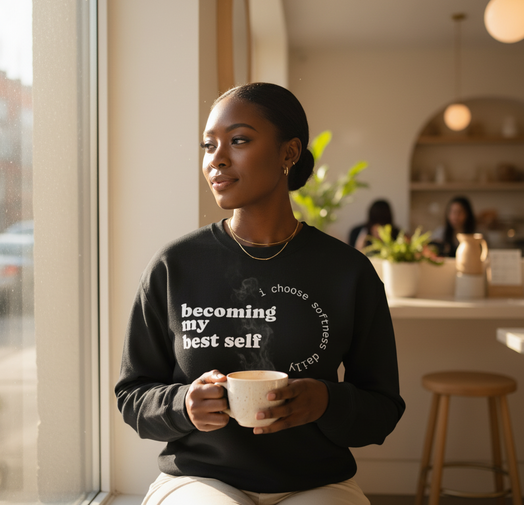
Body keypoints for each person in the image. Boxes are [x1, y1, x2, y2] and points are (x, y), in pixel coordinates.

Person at [115, 82, 405, 505]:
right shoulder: (174, 265)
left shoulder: (348, 272)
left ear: (289, 153)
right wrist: (183, 405)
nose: (216, 158)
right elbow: (132, 393)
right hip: (200, 478)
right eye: (208, 145)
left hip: (317, 481)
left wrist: (326, 400)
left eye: (238, 140)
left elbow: (382, 409)